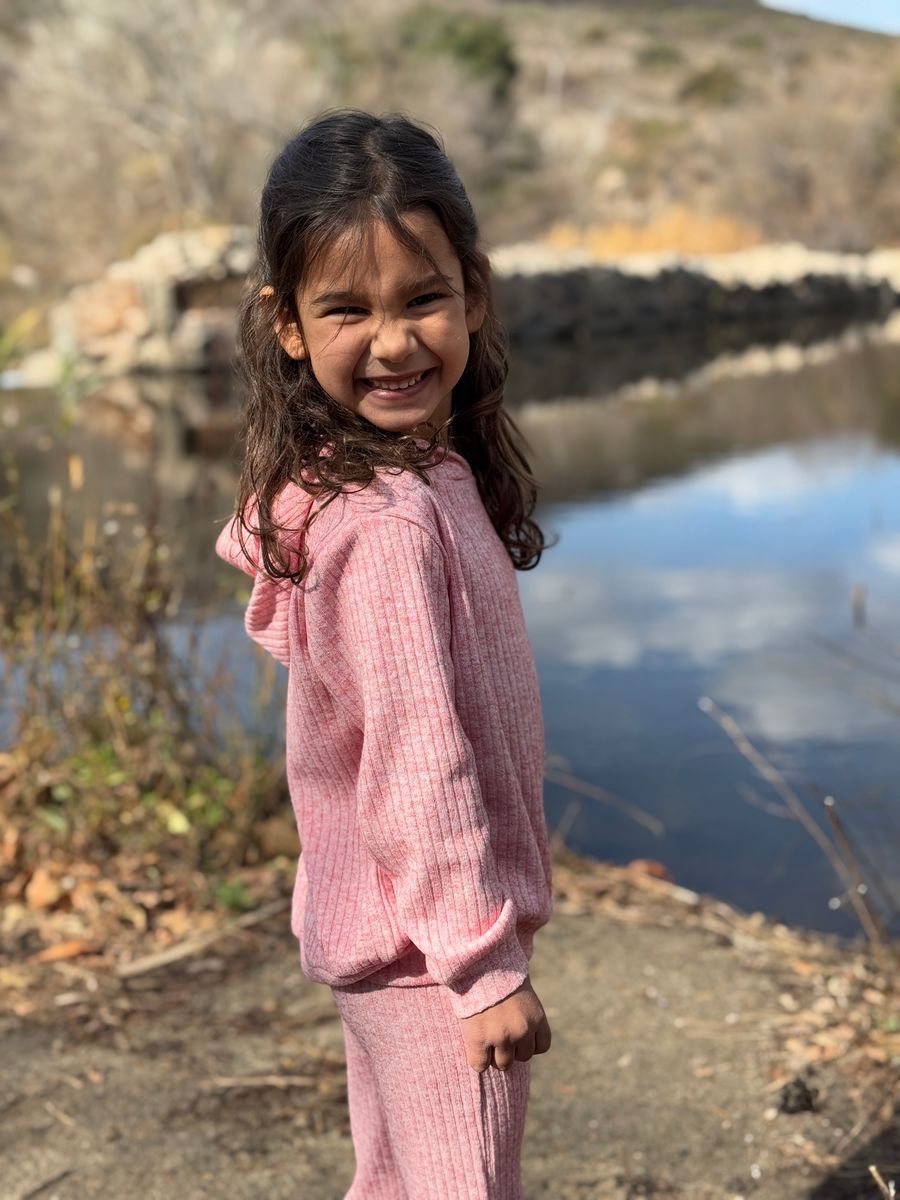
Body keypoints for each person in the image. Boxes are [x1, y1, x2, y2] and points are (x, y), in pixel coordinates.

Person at [215, 108, 555, 1200]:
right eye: (347, 309)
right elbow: (416, 760)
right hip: (428, 961)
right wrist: (483, 966)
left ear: (473, 295)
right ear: (287, 324)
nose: (396, 342)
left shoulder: (385, 480)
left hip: (384, 934)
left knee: (397, 1182)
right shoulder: (385, 525)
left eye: (422, 299)